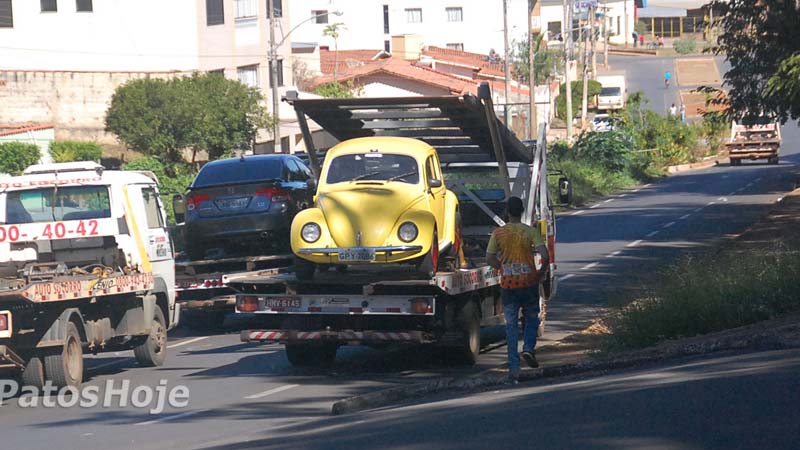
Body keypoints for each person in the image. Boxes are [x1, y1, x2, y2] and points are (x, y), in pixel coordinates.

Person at [486, 197, 549, 377]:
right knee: (532, 318)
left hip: (508, 284)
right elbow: (545, 255)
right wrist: (540, 272)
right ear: (521, 211)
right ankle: (528, 348)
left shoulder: (498, 233)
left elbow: (489, 258)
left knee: (511, 325)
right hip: (529, 282)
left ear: (507, 212)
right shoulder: (530, 232)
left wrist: (502, 267)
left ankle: (514, 366)